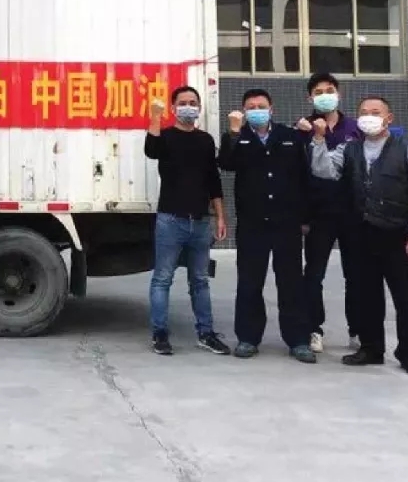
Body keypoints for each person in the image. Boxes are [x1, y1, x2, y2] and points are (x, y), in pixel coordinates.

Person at [308, 96, 408, 378]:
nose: (369, 117)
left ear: (389, 118)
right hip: (361, 234)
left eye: (375, 112)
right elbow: (324, 170)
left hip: (396, 235)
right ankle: (371, 348)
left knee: (404, 298)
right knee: (367, 295)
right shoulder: (350, 148)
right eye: (364, 112)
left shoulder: (407, 149)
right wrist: (318, 140)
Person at [218, 88, 316, 363]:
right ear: (243, 112)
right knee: (249, 283)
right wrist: (233, 133)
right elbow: (226, 164)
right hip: (253, 223)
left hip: (287, 223)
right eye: (251, 107)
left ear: (271, 109)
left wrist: (305, 218)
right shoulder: (238, 138)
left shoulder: (289, 136)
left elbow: (304, 178)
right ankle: (248, 338)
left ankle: (298, 340)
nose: (256, 110)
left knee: (291, 283)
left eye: (261, 106)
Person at [144, 87, 231, 357]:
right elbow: (150, 150)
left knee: (200, 281)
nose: (188, 107)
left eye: (193, 102)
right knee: (162, 279)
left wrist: (220, 215)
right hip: (170, 220)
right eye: (183, 103)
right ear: (173, 108)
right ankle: (160, 334)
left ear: (199, 108)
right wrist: (155, 117)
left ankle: (206, 333)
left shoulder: (205, 140)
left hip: (201, 221)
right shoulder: (166, 137)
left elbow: (213, 180)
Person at [294, 73, 361, 353]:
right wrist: (302, 216)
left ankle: (358, 329)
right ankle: (314, 329)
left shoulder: (356, 129)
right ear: (310, 98)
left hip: (353, 213)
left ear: (339, 94)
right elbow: (297, 176)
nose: (325, 95)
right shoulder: (302, 130)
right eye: (318, 92)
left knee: (356, 274)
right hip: (318, 214)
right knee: (314, 274)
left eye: (329, 90)